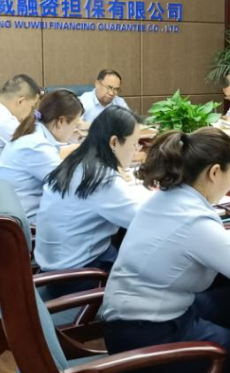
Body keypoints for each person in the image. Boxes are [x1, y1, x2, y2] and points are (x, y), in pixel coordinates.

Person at [99, 128, 230, 373]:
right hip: (144, 339)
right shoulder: (195, 220)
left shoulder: (166, 197)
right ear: (214, 172)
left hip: (129, 323)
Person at [33, 106, 151, 273]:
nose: (136, 150)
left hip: (55, 262)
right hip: (77, 274)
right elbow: (142, 220)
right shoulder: (102, 178)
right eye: (135, 144)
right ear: (114, 142)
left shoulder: (78, 161)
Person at [0, 89, 84, 220]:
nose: (75, 130)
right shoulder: (36, 145)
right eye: (76, 125)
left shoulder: (34, 133)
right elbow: (72, 185)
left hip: (16, 216)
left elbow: (56, 155)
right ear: (60, 122)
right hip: (27, 224)